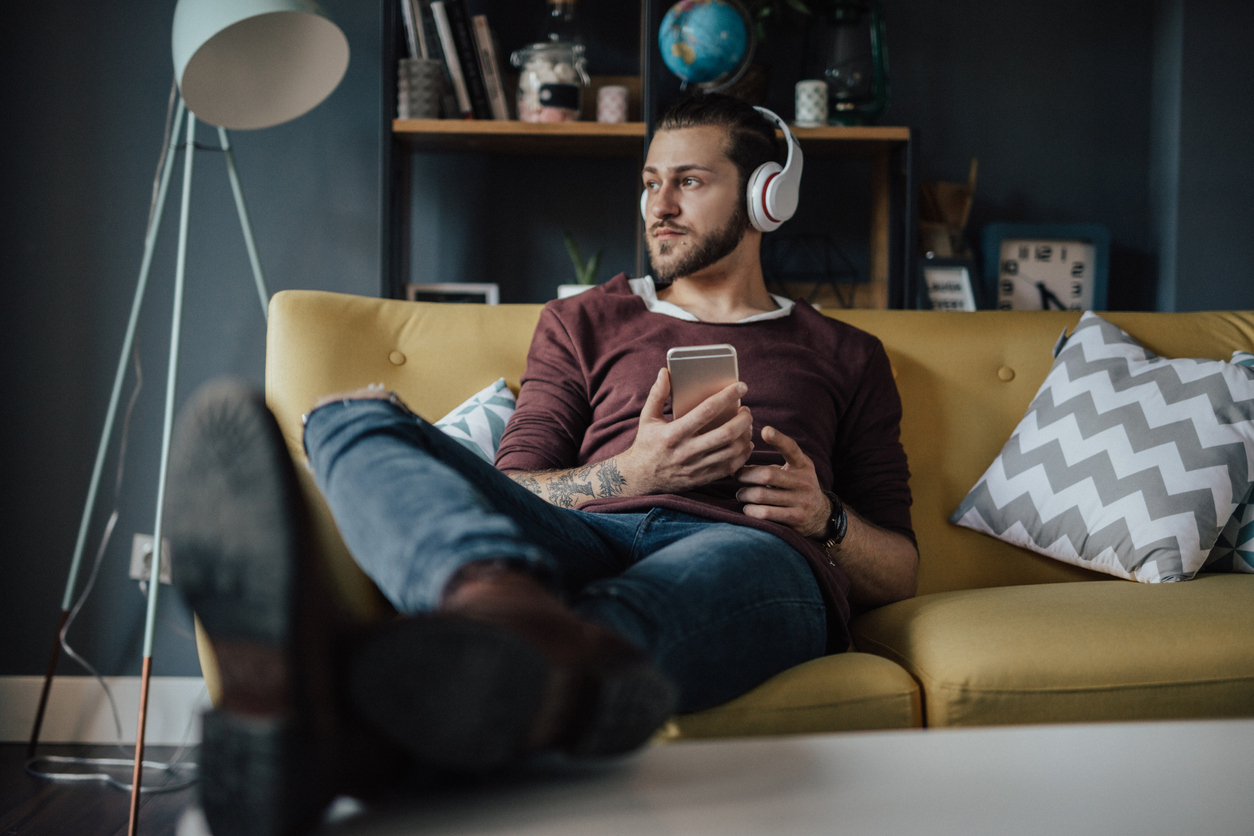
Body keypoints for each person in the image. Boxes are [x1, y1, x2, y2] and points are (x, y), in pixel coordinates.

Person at [167, 93, 917, 836]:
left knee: (653, 600)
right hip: (579, 537)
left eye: (689, 181)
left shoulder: (847, 353)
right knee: (348, 417)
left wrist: (828, 518)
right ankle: (491, 598)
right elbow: (513, 484)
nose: (659, 204)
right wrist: (636, 473)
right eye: (651, 181)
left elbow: (902, 572)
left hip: (754, 552)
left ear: (765, 197)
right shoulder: (584, 319)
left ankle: (336, 717)